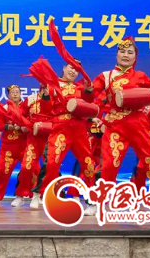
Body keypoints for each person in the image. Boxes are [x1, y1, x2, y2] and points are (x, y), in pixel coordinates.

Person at [83, 37, 150, 216]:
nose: (125, 55)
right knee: (108, 165)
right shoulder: (106, 76)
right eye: (122, 51)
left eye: (130, 52)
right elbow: (91, 96)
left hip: (138, 125)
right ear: (116, 55)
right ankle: (96, 202)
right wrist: (88, 90)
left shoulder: (140, 76)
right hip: (115, 125)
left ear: (135, 57)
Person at [31, 63, 96, 209]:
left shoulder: (80, 88)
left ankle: (92, 202)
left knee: (88, 164)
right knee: (52, 163)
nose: (74, 71)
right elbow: (46, 109)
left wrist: (89, 91)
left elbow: (89, 103)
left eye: (77, 70)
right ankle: (39, 193)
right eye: (71, 68)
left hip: (79, 130)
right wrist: (45, 96)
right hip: (60, 128)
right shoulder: (52, 86)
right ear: (64, 68)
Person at [0, 85, 30, 206]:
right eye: (12, 92)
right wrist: (7, 126)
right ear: (8, 95)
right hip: (8, 147)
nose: (15, 94)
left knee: (29, 169)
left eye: (17, 92)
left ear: (21, 94)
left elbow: (31, 123)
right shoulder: (4, 108)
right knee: (1, 171)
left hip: (25, 145)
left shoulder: (26, 108)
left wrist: (24, 127)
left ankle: (21, 196)